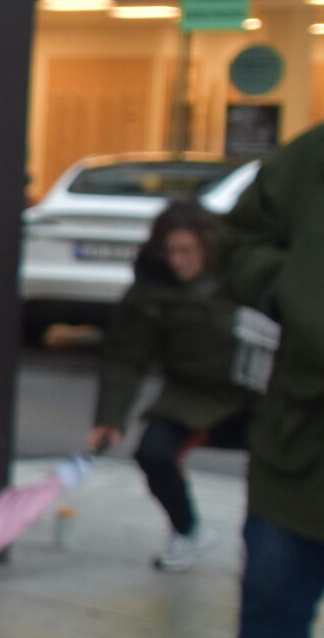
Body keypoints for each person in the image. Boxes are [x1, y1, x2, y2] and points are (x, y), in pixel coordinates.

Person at [214, 121, 324, 638]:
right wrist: (289, 286)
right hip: (303, 426)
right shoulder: (311, 157)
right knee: (275, 584)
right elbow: (239, 241)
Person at [86, 201, 253, 573]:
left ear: (207, 246)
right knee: (154, 452)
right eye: (170, 251)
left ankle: (268, 548)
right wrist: (109, 418)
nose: (177, 261)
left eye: (186, 250)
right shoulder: (152, 289)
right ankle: (187, 530)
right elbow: (126, 358)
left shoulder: (242, 274)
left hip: (255, 396)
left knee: (281, 463)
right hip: (190, 396)